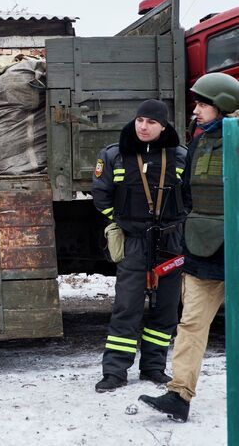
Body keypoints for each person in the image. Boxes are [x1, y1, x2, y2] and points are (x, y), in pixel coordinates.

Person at [139, 72, 239, 421]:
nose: (195, 110)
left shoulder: (237, 137)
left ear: (223, 106)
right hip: (202, 249)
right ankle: (179, 396)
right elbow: (187, 193)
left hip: (235, 245)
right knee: (192, 324)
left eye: (202, 104)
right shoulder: (198, 141)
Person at [91, 99, 191, 393]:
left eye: (151, 122)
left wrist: (176, 224)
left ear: (163, 126)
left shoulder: (181, 156)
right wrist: (123, 223)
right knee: (127, 306)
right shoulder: (113, 155)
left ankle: (153, 367)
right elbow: (100, 195)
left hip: (170, 242)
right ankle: (114, 372)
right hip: (133, 242)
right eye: (140, 120)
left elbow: (189, 197)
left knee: (167, 309)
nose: (143, 127)